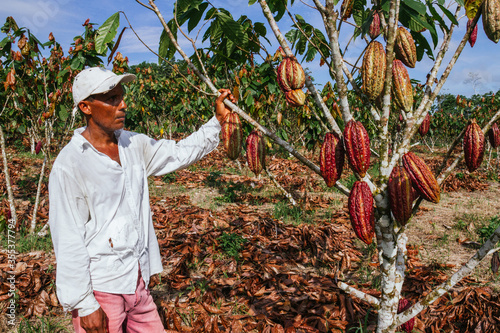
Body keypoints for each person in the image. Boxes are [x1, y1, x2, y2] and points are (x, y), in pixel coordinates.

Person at [48, 66, 235, 333]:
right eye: (112, 99)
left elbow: (178, 153)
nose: (122, 105)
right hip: (102, 286)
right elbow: (67, 238)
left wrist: (216, 121)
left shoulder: (132, 145)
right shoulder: (70, 164)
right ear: (86, 107)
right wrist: (85, 304)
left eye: (122, 97)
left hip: (137, 280)